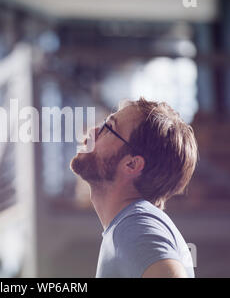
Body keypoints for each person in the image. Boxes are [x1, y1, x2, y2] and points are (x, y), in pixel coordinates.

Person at [70, 98, 197, 278]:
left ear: (131, 164)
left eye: (109, 128)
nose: (93, 131)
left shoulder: (135, 226)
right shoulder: (127, 226)